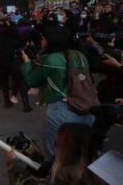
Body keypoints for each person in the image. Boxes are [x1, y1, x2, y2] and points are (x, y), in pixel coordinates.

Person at [20, 25, 95, 158]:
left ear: (51, 40)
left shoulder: (51, 59)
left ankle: (58, 177)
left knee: (55, 153)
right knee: (81, 151)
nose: (41, 41)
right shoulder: (80, 55)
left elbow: (32, 80)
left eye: (43, 38)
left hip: (61, 109)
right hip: (86, 107)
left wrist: (26, 63)